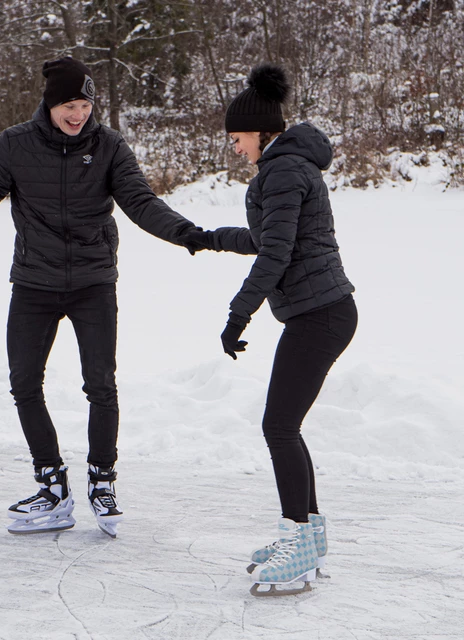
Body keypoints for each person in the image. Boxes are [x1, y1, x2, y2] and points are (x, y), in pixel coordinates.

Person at [0, 57, 199, 538]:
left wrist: (187, 233)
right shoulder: (16, 145)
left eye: (84, 104)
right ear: (49, 104)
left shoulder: (109, 147)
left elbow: (141, 202)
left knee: (100, 384)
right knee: (23, 383)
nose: (77, 114)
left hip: (92, 282)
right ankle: (52, 485)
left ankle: (102, 479)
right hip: (34, 283)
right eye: (68, 105)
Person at [184, 63, 357, 595]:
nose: (235, 148)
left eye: (237, 138)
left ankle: (298, 537)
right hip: (323, 311)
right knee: (286, 426)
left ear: (261, 132)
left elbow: (276, 253)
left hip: (319, 313)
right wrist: (211, 238)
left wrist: (239, 313)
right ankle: (311, 533)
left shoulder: (282, 171)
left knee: (278, 427)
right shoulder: (288, 167)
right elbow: (269, 238)